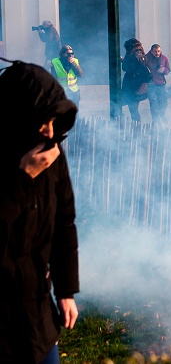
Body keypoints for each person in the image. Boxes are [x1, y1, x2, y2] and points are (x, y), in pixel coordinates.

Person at [0, 60, 79, 363]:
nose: (48, 131)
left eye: (54, 119)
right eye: (40, 120)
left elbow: (64, 223)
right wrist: (22, 179)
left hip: (37, 314)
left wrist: (66, 290)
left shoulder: (50, 153)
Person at [121, 38, 152, 122]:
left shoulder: (135, 55)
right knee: (132, 108)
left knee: (132, 109)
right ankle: (136, 128)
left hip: (133, 86)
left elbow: (126, 68)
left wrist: (140, 83)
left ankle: (136, 129)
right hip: (133, 85)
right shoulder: (139, 54)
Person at [145, 44, 171, 126]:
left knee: (164, 103)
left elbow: (168, 70)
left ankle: (161, 115)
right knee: (154, 103)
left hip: (161, 84)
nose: (157, 53)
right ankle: (156, 120)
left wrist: (164, 70)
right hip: (151, 84)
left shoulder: (164, 58)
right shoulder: (146, 58)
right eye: (155, 51)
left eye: (158, 51)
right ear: (151, 51)